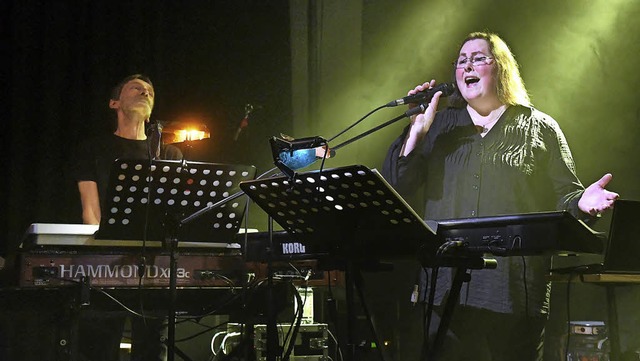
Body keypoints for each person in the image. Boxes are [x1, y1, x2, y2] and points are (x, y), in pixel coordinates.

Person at [381, 31, 619, 361]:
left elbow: (566, 194)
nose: (467, 66)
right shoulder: (439, 125)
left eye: (478, 58)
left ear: (502, 68)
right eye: (461, 61)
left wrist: (582, 203)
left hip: (511, 293)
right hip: (444, 289)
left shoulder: (538, 127)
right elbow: (397, 186)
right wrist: (416, 132)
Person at [71, 74, 182, 361]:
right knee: (100, 343)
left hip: (155, 261)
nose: (145, 92)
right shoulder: (94, 148)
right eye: (136, 88)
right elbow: (90, 208)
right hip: (108, 258)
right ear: (114, 102)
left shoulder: (169, 153)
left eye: (150, 91)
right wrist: (101, 256)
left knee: (151, 346)